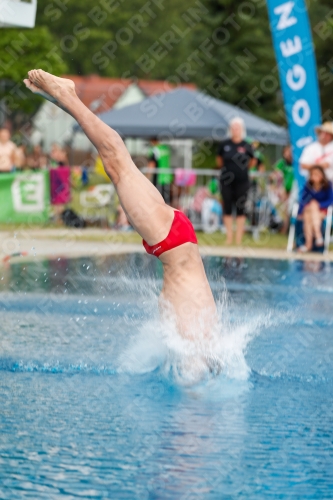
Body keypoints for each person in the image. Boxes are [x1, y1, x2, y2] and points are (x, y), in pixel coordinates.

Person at [24, 69, 217, 345]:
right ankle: (66, 94)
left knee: (117, 162)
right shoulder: (199, 348)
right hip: (172, 243)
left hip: (177, 242)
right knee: (115, 160)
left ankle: (63, 100)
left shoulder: (206, 338)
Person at [216, 117, 256, 245]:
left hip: (242, 181)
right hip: (226, 181)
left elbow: (253, 161)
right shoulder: (225, 144)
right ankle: (229, 238)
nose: (235, 130)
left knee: (240, 208)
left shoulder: (246, 145)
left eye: (237, 127)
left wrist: (243, 170)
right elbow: (219, 160)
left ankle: (238, 239)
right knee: (227, 207)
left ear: (242, 129)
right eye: (233, 127)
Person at [298, 166, 333, 252]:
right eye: (313, 174)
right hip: (310, 210)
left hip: (323, 211)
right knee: (310, 208)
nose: (315, 176)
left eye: (317, 174)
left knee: (310, 212)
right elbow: (303, 200)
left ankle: (308, 244)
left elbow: (330, 200)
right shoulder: (308, 186)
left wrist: (318, 205)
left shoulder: (327, 186)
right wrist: (300, 212)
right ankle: (318, 237)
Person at [147, 138, 173, 204]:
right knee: (166, 201)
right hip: (167, 178)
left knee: (158, 202)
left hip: (159, 178)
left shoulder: (155, 150)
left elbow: (151, 165)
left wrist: (146, 178)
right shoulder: (165, 148)